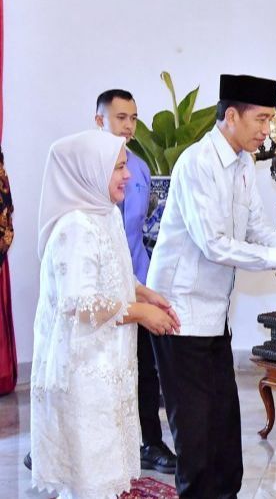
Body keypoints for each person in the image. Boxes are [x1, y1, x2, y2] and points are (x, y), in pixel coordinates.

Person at [145, 74, 276, 498]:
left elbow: (257, 228)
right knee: (195, 437)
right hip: (179, 315)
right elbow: (214, 244)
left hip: (214, 316)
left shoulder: (244, 163)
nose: (267, 131)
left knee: (224, 432)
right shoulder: (196, 163)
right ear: (231, 116)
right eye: (261, 119)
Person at [31, 130, 179, 498]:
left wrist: (145, 292)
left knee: (111, 473)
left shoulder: (105, 216)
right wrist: (141, 312)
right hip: (83, 374)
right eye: (117, 168)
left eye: (124, 166)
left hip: (110, 365)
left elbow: (114, 273)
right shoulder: (74, 228)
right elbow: (81, 304)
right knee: (90, 480)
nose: (127, 175)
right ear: (90, 172)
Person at [95, 88, 177, 474]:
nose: (128, 125)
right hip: (99, 289)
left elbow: (144, 231)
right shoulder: (88, 170)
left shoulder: (140, 168)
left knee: (145, 369)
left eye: (132, 118)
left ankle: (151, 441)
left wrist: (146, 288)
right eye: (120, 117)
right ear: (100, 121)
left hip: (135, 284)